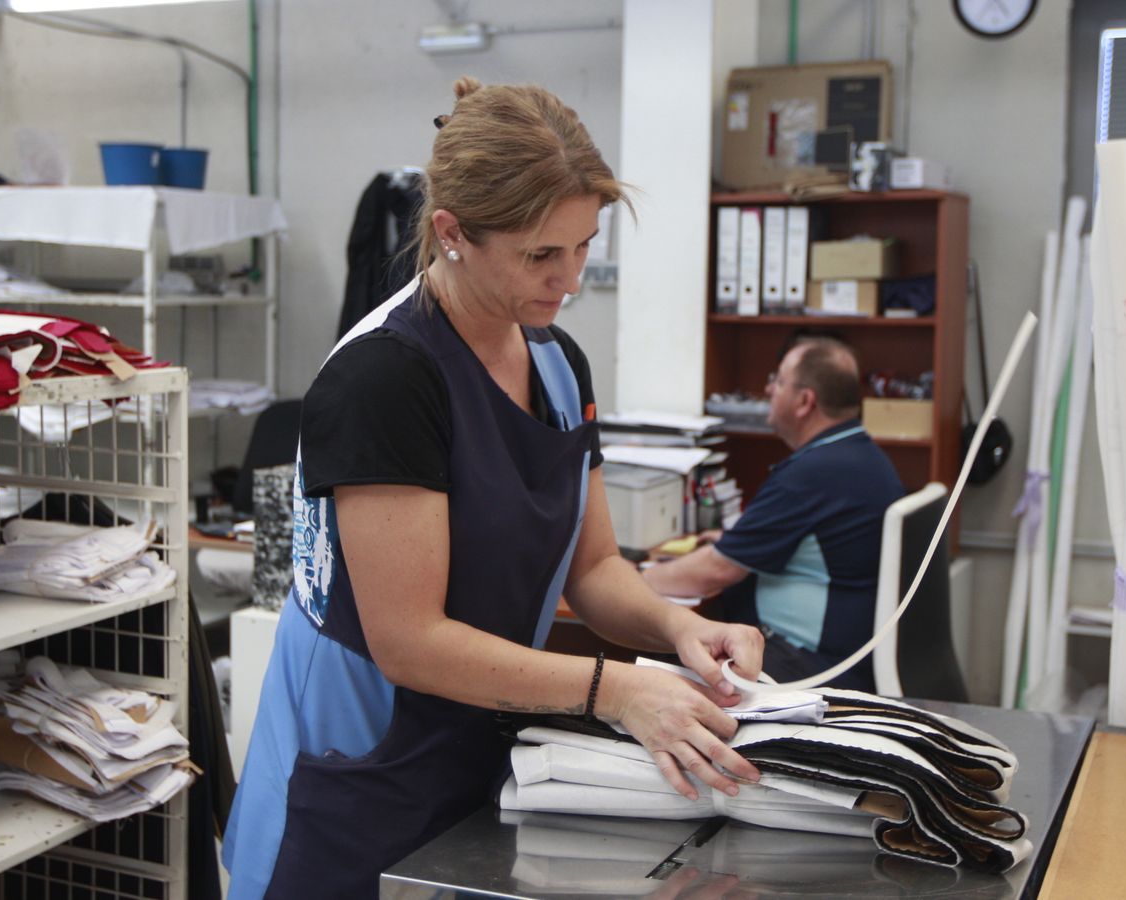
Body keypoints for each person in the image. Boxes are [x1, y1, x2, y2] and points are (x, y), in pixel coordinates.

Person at [221, 76, 765, 900]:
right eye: (541, 254)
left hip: (480, 752)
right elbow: (409, 642)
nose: (570, 278)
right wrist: (617, 691)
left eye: (585, 246)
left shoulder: (553, 359)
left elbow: (594, 567)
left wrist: (675, 629)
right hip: (356, 780)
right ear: (452, 234)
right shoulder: (384, 378)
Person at [643, 336, 905, 690]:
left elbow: (714, 572)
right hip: (852, 657)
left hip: (812, 667)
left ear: (804, 401)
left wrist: (633, 582)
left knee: (654, 666)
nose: (768, 388)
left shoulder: (812, 473)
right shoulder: (859, 454)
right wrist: (737, 542)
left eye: (779, 381)